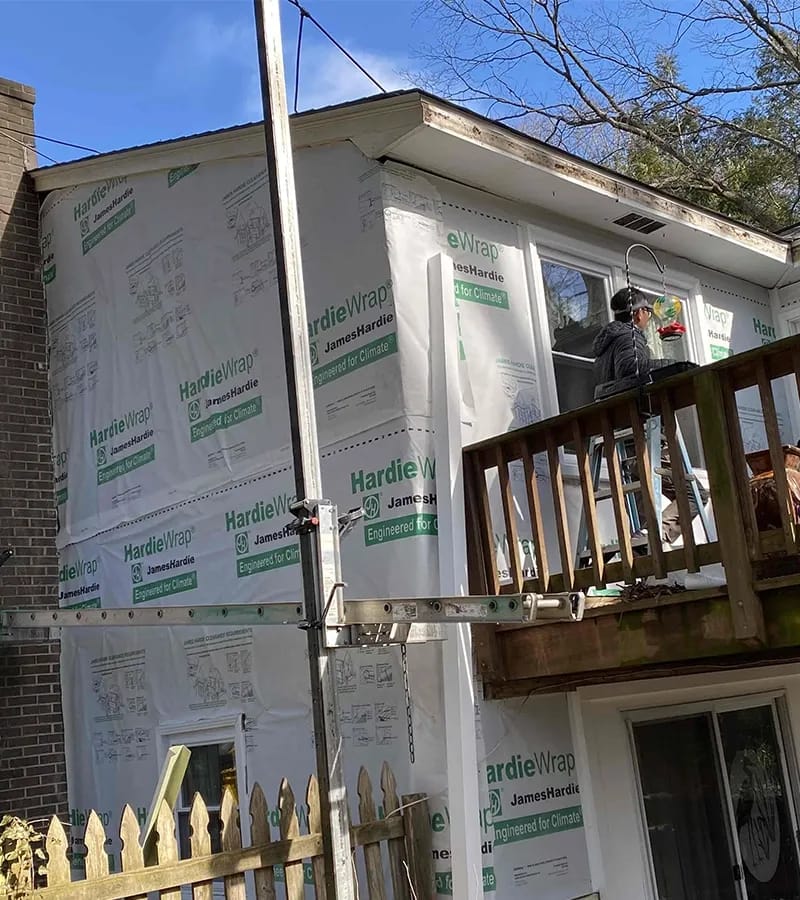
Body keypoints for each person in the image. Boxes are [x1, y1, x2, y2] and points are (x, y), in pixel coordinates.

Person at [591, 287, 709, 545]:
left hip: (623, 441)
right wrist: (672, 366)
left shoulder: (606, 347)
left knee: (646, 508)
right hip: (646, 436)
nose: (648, 319)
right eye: (647, 312)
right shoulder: (629, 337)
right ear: (638, 314)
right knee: (695, 496)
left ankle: (649, 549)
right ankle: (656, 535)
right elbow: (633, 371)